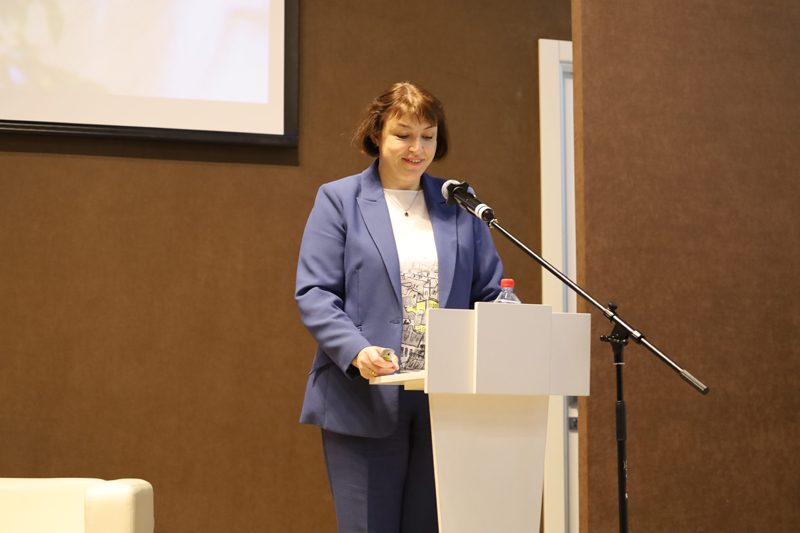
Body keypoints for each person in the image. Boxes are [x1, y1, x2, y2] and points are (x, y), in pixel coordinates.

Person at [295, 81, 504, 533]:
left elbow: (490, 292)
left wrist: (515, 322)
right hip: (365, 396)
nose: (417, 148)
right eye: (403, 134)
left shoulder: (458, 204)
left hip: (446, 400)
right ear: (376, 134)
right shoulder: (339, 199)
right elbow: (315, 293)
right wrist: (356, 351)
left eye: (428, 136)